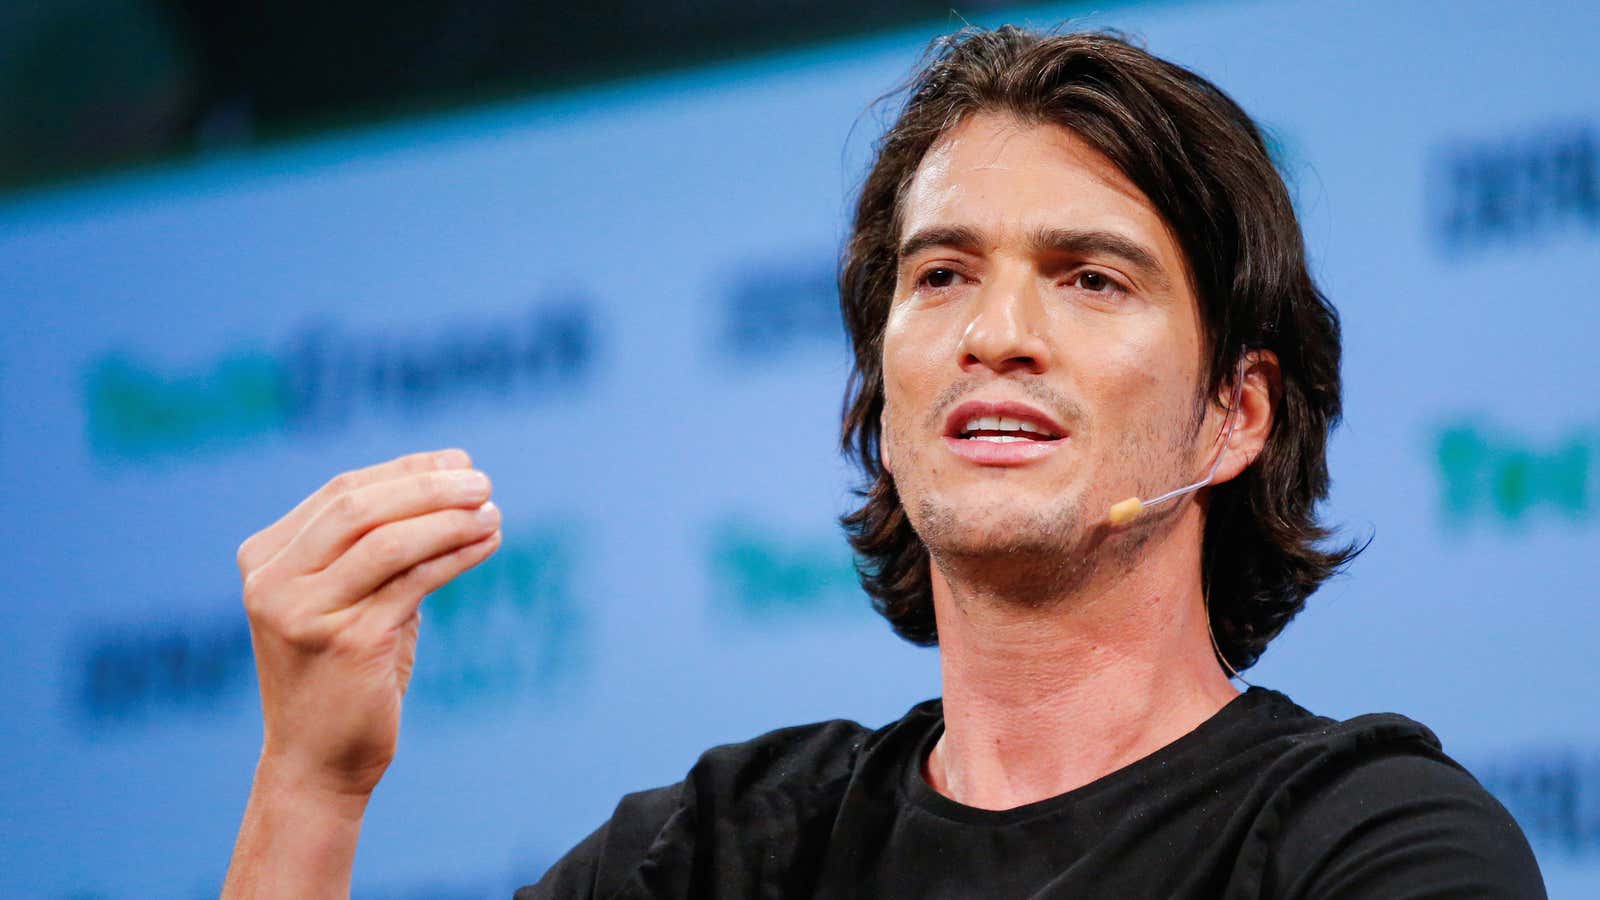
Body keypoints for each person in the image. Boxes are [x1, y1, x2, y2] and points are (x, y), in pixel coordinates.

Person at [222, 26, 1545, 899]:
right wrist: (310, 785)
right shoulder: (719, 852)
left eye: (1090, 278)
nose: (998, 335)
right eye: (943, 274)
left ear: (1233, 416)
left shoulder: (1366, 845)